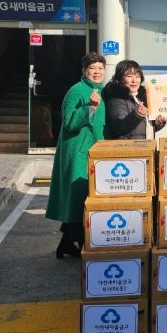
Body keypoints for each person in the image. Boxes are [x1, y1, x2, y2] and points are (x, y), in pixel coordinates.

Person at [45, 53, 106, 259]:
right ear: (84, 70)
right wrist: (90, 107)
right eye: (92, 68)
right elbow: (70, 122)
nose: (97, 72)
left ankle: (65, 244)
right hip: (78, 152)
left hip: (93, 150)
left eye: (100, 68)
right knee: (78, 197)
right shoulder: (76, 90)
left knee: (80, 197)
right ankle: (80, 244)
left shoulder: (101, 90)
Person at [102, 60, 166, 139]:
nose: (134, 80)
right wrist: (137, 115)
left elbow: (141, 130)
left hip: (146, 145)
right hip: (128, 147)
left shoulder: (140, 97)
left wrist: (157, 123)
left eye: (137, 76)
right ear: (120, 78)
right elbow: (119, 128)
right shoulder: (117, 98)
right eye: (129, 76)